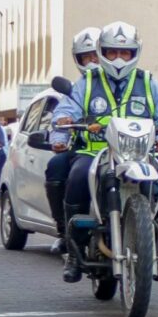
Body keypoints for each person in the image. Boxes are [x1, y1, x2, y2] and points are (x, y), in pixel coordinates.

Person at [50, 21, 158, 283]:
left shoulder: (148, 82)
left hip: (139, 155)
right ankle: (73, 248)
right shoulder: (87, 82)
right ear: (102, 52)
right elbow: (64, 111)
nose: (118, 58)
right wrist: (61, 128)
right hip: (96, 154)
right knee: (77, 176)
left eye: (124, 53)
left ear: (134, 53)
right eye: (113, 52)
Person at [46, 27, 101, 254]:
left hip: (129, 151)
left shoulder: (137, 81)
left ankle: (154, 239)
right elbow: (62, 115)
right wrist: (59, 138)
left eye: (95, 56)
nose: (91, 62)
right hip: (86, 150)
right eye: (85, 57)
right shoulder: (81, 86)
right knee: (57, 166)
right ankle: (66, 231)